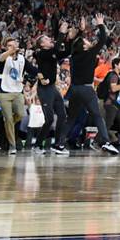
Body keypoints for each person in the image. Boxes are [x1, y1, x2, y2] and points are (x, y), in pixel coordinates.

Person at [56, 15, 120, 155]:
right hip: (86, 89)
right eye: (87, 41)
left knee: (71, 118)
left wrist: (81, 31)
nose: (89, 42)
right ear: (84, 47)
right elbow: (102, 40)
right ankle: (106, 142)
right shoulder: (89, 53)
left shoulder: (74, 56)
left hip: (74, 89)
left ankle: (59, 144)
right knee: (97, 116)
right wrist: (101, 24)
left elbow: (75, 44)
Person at [34, 26, 70, 155]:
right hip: (44, 89)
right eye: (47, 39)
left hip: (52, 88)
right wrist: (61, 33)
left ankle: (57, 145)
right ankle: (38, 144)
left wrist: (69, 38)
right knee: (49, 119)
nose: (50, 40)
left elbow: (66, 52)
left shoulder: (52, 53)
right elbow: (55, 49)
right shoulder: (41, 53)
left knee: (63, 116)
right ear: (42, 44)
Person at [0, 38, 32, 155]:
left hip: (17, 91)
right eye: (9, 46)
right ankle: (12, 146)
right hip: (3, 92)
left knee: (21, 115)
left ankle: (8, 123)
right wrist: (10, 51)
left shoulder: (22, 59)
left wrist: (42, 74)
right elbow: (0, 58)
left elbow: (32, 69)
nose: (11, 47)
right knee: (8, 118)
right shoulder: (4, 57)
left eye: (13, 45)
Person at [98, 57, 120, 148]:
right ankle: (98, 141)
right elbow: (113, 88)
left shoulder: (117, 76)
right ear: (116, 65)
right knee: (108, 124)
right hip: (111, 104)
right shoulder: (113, 75)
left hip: (116, 104)